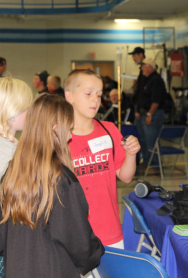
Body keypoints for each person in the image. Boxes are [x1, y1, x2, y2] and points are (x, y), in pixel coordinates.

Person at [0, 94, 104, 277]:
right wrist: (96, 252)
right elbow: (79, 242)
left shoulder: (12, 173)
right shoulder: (61, 179)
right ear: (55, 129)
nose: (70, 135)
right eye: (69, 128)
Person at [64, 69, 140, 252]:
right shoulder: (58, 135)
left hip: (109, 230)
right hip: (72, 233)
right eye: (88, 93)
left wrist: (131, 153)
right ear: (69, 96)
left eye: (99, 94)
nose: (95, 99)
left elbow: (126, 177)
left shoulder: (109, 129)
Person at [0, 78, 33, 271]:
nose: (31, 112)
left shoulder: (3, 143)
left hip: (2, 241)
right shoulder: (0, 148)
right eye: (27, 107)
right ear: (12, 113)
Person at [136, 58, 166, 174]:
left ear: (149, 66)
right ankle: (148, 162)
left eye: (143, 66)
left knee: (151, 141)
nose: (141, 68)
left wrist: (149, 114)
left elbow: (156, 100)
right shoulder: (148, 80)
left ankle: (155, 166)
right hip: (145, 114)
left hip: (153, 114)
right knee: (144, 140)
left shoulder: (156, 80)